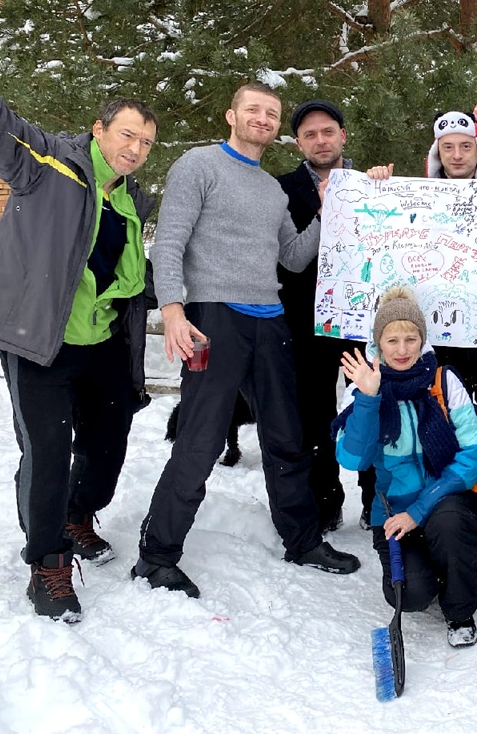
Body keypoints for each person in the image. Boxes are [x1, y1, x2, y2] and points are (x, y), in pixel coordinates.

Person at [0, 0, 157, 623]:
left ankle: (79, 517)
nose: (135, 148)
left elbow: (133, 278)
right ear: (99, 130)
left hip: (104, 343)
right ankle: (48, 563)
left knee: (110, 438)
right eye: (127, 134)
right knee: (49, 450)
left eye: (145, 142)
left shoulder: (133, 200)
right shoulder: (48, 164)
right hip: (42, 341)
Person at [134, 82, 360, 598]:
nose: (262, 118)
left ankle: (302, 540)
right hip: (215, 316)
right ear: (231, 115)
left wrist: (327, 211)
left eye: (270, 113)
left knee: (287, 436)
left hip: (271, 319)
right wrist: (172, 308)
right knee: (200, 439)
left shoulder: (272, 190)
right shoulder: (199, 165)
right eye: (252, 109)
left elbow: (296, 257)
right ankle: (158, 555)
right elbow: (168, 240)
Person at [363, 101, 477, 562]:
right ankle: (452, 514)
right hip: (440, 342)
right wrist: (377, 185)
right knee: (439, 428)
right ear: (438, 153)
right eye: (449, 148)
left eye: (466, 146)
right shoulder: (415, 195)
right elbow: (380, 229)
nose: (458, 155)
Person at [335, 289, 477, 648]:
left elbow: (471, 459)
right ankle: (440, 563)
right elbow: (353, 460)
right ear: (378, 343)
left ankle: (460, 611)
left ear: (422, 339)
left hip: (443, 497)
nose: (402, 350)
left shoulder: (444, 381)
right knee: (412, 597)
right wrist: (369, 399)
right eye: (392, 340)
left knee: (448, 525)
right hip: (391, 509)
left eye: (410, 339)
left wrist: (419, 511)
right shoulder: (362, 385)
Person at [277, 98, 354, 535]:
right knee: (315, 414)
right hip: (308, 322)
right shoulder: (283, 190)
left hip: (366, 319)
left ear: (342, 135)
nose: (320, 140)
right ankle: (326, 499)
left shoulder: (371, 184)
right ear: (298, 143)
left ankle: (379, 495)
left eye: (328, 132)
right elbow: (284, 258)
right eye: (310, 134)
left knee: (375, 405)